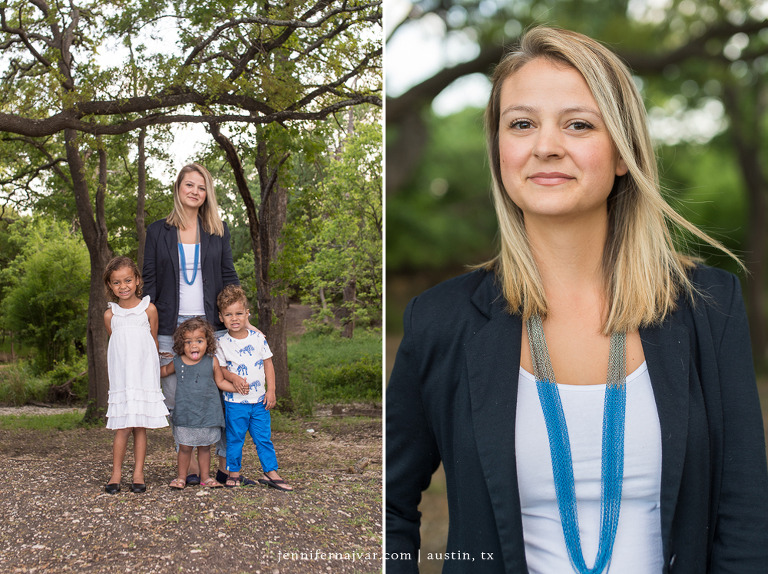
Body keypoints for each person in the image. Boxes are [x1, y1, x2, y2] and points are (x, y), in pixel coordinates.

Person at [386, 26, 768, 574]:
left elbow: (745, 515)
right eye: (521, 124)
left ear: (622, 153)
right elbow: (390, 503)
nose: (545, 146)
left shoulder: (710, 305)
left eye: (579, 124)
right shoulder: (440, 321)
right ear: (499, 150)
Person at [142, 162, 254, 486]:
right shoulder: (156, 231)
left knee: (217, 398)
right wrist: (142, 325)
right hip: (169, 326)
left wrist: (244, 317)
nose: (195, 191)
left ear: (208, 194)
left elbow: (229, 276)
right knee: (177, 398)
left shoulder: (217, 230)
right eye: (189, 185)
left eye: (201, 187)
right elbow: (148, 281)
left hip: (211, 327)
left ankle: (223, 469)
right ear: (178, 189)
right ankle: (187, 469)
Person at [215, 285, 293, 491]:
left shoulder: (258, 338)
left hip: (259, 401)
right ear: (221, 317)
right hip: (235, 403)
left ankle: (270, 472)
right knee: (235, 439)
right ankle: (233, 473)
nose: (234, 318)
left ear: (247, 314)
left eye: (239, 313)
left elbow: (268, 364)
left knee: (263, 438)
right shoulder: (221, 342)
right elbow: (221, 369)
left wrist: (272, 390)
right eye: (228, 314)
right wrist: (233, 377)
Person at [103, 256, 169, 494]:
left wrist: (154, 372)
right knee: (123, 427)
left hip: (143, 375)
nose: (123, 286)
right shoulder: (111, 315)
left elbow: (151, 341)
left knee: (139, 426)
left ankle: (139, 473)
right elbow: (118, 346)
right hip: (123, 377)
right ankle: (116, 474)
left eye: (128, 280)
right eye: (117, 282)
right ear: (110, 286)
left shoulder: (148, 310)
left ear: (137, 280)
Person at [160, 317, 239, 489]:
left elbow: (220, 382)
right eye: (188, 342)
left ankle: (206, 477)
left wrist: (237, 388)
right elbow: (164, 371)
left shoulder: (212, 361)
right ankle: (181, 477)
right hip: (186, 413)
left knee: (205, 448)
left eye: (199, 341)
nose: (193, 346)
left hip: (207, 413)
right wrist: (146, 371)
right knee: (185, 448)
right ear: (181, 344)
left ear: (208, 342)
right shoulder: (178, 361)